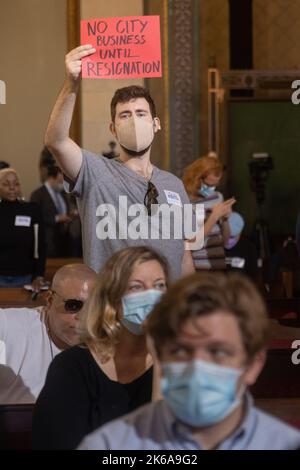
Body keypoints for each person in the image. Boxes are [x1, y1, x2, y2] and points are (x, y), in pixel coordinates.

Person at [78, 272, 300, 451]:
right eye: (182, 351)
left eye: (218, 352)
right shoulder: (109, 446)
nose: (197, 367)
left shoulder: (286, 445)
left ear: (253, 364)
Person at [44, 44, 195, 280]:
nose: (134, 121)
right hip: (111, 308)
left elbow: (185, 256)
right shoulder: (95, 173)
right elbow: (56, 141)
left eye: (141, 113)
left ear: (156, 124)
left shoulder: (175, 185)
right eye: (125, 115)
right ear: (113, 129)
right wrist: (71, 83)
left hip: (166, 311)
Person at [32, 246, 169, 450]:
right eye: (137, 287)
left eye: (159, 286)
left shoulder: (181, 365)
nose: (150, 297)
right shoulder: (71, 369)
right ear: (112, 299)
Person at [0, 263, 96, 404]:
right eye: (73, 305)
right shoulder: (10, 325)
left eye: (93, 307)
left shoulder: (107, 339)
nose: (83, 317)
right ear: (50, 300)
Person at [183, 154, 235, 271]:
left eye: (215, 185)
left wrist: (225, 219)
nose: (212, 189)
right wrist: (214, 216)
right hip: (199, 268)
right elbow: (192, 243)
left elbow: (226, 241)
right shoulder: (186, 200)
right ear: (197, 178)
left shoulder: (217, 197)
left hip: (219, 266)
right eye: (209, 185)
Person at [0, 168, 46, 288]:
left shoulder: (32, 210)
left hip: (25, 277)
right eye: (6, 184)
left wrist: (39, 275)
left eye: (16, 184)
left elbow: (40, 245)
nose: (12, 188)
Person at [30, 163, 72, 257]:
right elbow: (36, 217)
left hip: (64, 239)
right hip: (48, 239)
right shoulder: (37, 195)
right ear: (51, 178)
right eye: (60, 181)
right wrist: (57, 218)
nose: (62, 184)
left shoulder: (62, 193)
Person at [225, 212, 259, 281]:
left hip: (240, 287)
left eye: (233, 236)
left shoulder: (248, 248)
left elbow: (253, 275)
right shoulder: (215, 245)